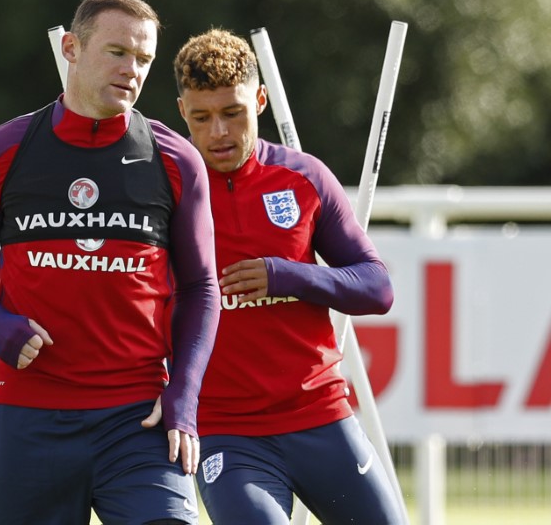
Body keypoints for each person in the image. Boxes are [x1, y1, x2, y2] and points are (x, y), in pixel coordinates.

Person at [0, 0, 220, 525]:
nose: (132, 70)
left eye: (143, 59)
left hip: (138, 418)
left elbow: (202, 288)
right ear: (71, 47)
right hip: (27, 414)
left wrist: (184, 396)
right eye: (117, 52)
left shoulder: (177, 159)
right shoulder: (1, 150)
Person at [173, 28, 404, 524]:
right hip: (227, 432)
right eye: (202, 117)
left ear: (259, 100)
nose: (218, 132)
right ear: (182, 113)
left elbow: (377, 288)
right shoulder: (165, 189)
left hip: (321, 417)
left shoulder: (303, 177)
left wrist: (286, 275)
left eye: (232, 113)